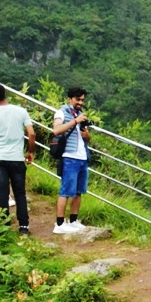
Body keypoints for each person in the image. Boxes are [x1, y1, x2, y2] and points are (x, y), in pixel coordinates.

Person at [0, 84, 35, 235]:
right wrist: (30, 151)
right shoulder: (21, 111)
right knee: (20, 193)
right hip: (17, 158)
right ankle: (24, 226)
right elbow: (31, 134)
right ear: (5, 94)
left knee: (2, 194)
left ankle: (3, 225)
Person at [51, 87, 93, 234]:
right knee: (66, 190)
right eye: (78, 99)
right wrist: (75, 121)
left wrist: (86, 135)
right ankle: (60, 223)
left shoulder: (81, 115)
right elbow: (56, 130)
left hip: (82, 156)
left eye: (82, 100)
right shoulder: (62, 112)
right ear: (70, 99)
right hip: (69, 156)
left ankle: (74, 220)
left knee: (78, 191)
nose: (80, 102)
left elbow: (86, 138)